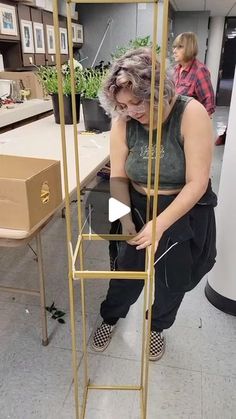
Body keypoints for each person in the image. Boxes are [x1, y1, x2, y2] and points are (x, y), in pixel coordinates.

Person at [92, 48, 217, 361]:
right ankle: (110, 317)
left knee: (172, 278)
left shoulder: (191, 114)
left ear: (159, 90)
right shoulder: (123, 123)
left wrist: (160, 224)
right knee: (125, 269)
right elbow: (118, 178)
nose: (132, 111)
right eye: (122, 104)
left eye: (138, 102)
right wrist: (126, 223)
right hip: (134, 200)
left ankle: (157, 326)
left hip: (182, 206)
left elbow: (197, 183)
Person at [173, 32, 215, 117]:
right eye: (174, 47)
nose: (174, 51)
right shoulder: (176, 69)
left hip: (190, 122)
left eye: (180, 47)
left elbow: (209, 104)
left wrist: (197, 124)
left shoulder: (199, 71)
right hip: (176, 121)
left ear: (189, 48)